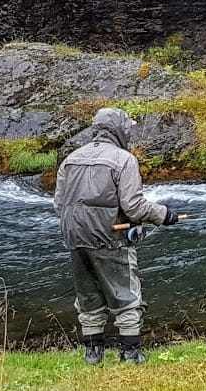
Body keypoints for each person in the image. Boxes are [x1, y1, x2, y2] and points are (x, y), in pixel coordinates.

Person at [53, 107, 179, 364]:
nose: (129, 133)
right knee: (126, 295)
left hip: (74, 235)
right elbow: (133, 206)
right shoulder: (123, 160)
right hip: (110, 237)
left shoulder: (71, 159)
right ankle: (131, 354)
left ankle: (93, 355)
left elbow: (58, 204)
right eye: (127, 128)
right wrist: (163, 215)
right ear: (118, 130)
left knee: (87, 296)